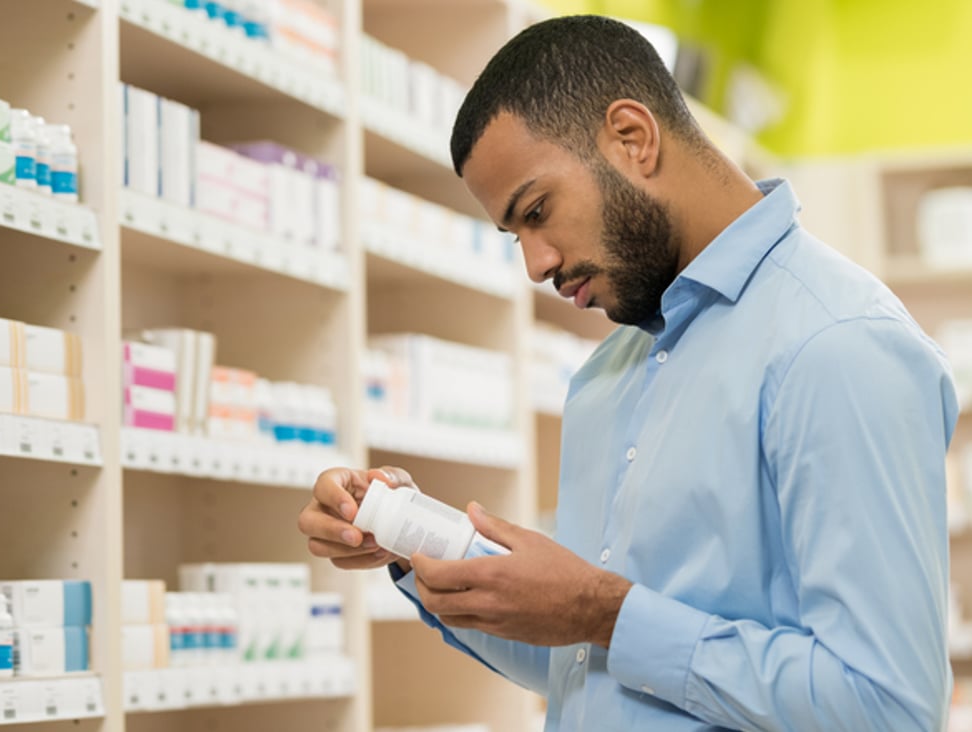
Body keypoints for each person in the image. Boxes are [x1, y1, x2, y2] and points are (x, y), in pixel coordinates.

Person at [298, 14, 960, 731]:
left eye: (539, 212)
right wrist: (408, 540)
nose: (536, 264)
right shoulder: (609, 372)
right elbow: (583, 662)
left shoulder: (837, 344)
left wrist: (603, 612)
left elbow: (887, 706)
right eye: (515, 234)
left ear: (633, 138)